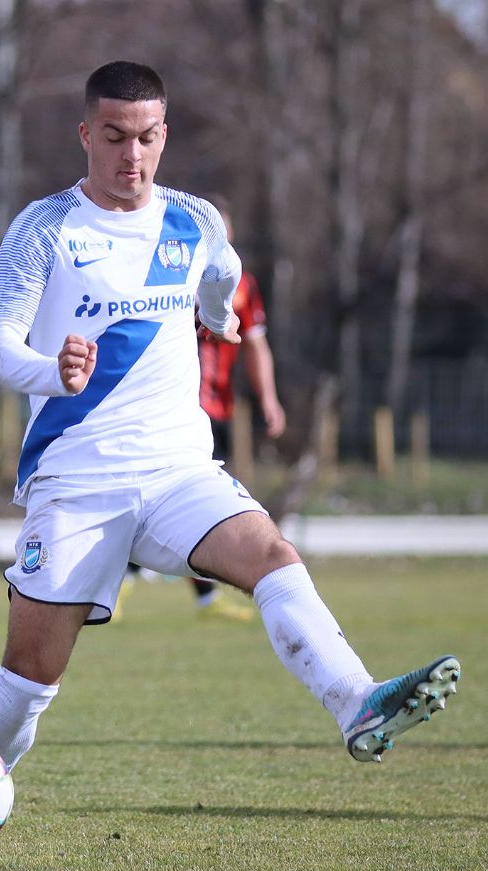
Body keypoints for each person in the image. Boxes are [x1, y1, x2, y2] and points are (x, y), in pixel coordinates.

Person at [0, 61, 462, 866]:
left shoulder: (194, 220)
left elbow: (226, 272)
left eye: (147, 138)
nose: (132, 155)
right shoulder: (45, 228)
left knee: (272, 555)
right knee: (30, 681)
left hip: (179, 469)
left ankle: (359, 702)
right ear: (86, 134)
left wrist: (219, 317)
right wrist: (51, 371)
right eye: (115, 137)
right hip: (77, 482)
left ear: (164, 134)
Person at [183, 195, 287, 621]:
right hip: (178, 406)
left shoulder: (242, 283)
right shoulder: (172, 274)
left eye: (222, 228)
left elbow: (256, 344)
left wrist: (269, 398)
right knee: (188, 497)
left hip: (218, 408)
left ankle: (204, 595)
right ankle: (127, 582)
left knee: (198, 501)